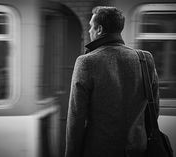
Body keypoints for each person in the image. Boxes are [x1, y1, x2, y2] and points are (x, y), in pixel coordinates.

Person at [65, 6, 159, 157]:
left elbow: (76, 119)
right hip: (138, 149)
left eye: (91, 27)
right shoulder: (145, 59)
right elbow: (154, 111)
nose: (89, 31)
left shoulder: (86, 62)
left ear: (100, 29)